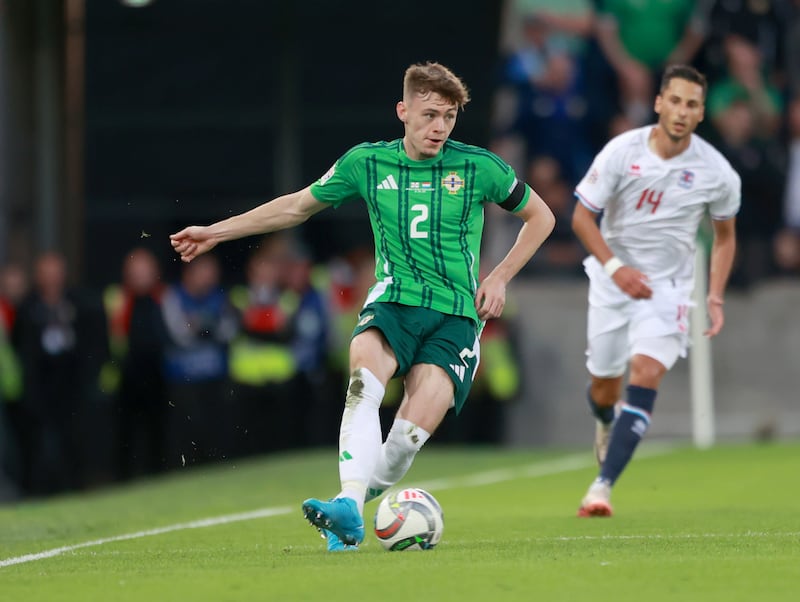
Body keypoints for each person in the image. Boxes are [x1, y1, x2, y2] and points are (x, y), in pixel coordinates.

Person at [170, 62, 555, 550]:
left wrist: (499, 276)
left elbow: (541, 216)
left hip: (457, 317)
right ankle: (349, 505)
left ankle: (350, 510)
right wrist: (215, 233)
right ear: (403, 111)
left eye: (450, 117)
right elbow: (295, 206)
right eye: (430, 114)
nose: (440, 127)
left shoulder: (480, 167)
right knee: (363, 383)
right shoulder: (367, 163)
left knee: (404, 441)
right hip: (394, 301)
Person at [571, 64, 740, 517]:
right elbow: (582, 217)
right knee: (605, 387)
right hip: (612, 281)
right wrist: (615, 266)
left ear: (701, 113)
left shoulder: (716, 172)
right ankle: (606, 421)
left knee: (644, 372)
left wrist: (715, 295)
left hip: (668, 289)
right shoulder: (621, 152)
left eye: (692, 104)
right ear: (659, 103)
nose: (682, 112)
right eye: (676, 101)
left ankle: (601, 487)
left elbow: (724, 238)